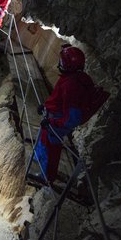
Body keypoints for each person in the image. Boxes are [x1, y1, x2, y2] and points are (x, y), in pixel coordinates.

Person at [34, 46, 95, 182]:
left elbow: (72, 118)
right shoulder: (75, 78)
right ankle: (39, 160)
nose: (59, 64)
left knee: (51, 150)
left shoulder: (71, 86)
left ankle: (47, 177)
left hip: (56, 123)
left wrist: (52, 123)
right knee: (45, 143)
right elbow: (60, 99)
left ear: (68, 65)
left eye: (62, 62)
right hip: (53, 117)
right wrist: (45, 107)